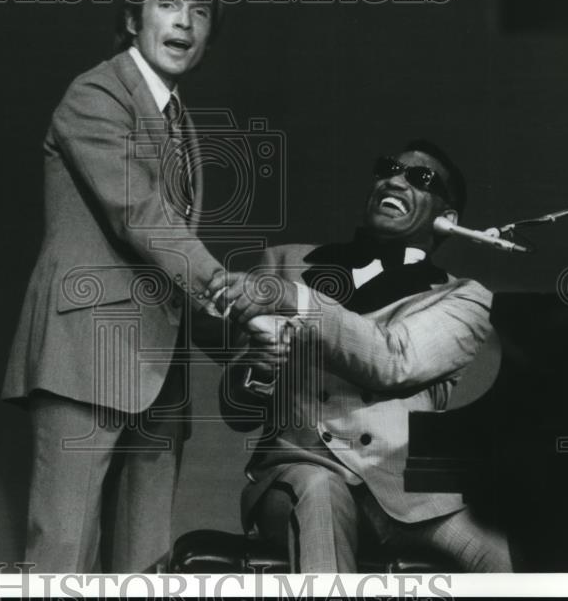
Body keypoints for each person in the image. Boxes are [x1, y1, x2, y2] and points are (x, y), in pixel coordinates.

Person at [2, 0, 226, 572]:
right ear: (132, 19)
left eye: (201, 10)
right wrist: (229, 290)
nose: (186, 22)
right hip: (86, 353)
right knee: (64, 558)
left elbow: (166, 262)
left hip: (160, 369)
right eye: (168, 4)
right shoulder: (96, 93)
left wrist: (242, 334)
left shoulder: (178, 117)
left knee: (147, 564)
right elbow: (143, 219)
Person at [212, 140, 513, 572]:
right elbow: (236, 413)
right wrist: (255, 370)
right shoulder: (282, 262)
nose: (394, 179)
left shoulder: (465, 300)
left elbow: (393, 360)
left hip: (412, 498)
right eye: (388, 168)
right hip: (300, 472)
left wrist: (295, 300)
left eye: (419, 178)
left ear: (447, 220)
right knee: (318, 493)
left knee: (501, 558)